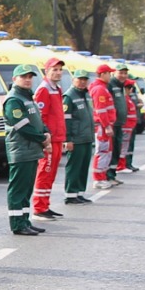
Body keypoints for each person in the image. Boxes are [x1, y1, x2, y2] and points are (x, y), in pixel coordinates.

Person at [2, 64, 50, 236]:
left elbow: (36, 118)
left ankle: (25, 221)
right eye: (24, 77)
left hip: (31, 150)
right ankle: (17, 224)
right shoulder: (14, 99)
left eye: (30, 77)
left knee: (27, 189)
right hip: (21, 150)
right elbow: (22, 126)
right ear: (15, 79)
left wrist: (45, 131)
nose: (28, 80)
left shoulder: (27, 97)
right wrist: (42, 138)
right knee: (18, 189)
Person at [31, 57, 68, 220]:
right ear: (47, 71)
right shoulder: (44, 89)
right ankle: (39, 207)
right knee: (45, 171)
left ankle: (45, 204)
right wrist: (45, 140)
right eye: (55, 69)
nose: (58, 73)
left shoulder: (57, 88)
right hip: (50, 140)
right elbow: (41, 117)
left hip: (58, 138)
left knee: (51, 173)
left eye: (60, 70)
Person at [62, 68, 96, 204]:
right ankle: (70, 194)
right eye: (79, 79)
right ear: (73, 80)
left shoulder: (86, 94)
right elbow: (66, 120)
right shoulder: (69, 96)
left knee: (83, 167)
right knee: (74, 167)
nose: (82, 82)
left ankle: (80, 193)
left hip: (86, 137)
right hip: (76, 139)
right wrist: (68, 139)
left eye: (85, 80)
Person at [88, 63, 119, 190]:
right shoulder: (100, 89)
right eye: (109, 73)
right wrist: (106, 126)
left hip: (104, 125)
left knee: (106, 151)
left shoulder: (102, 87)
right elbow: (101, 110)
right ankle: (98, 178)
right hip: (102, 125)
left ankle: (102, 176)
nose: (110, 76)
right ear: (102, 74)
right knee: (102, 151)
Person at [104, 64, 129, 181]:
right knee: (111, 150)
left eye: (125, 73)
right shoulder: (111, 85)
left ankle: (112, 174)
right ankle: (107, 175)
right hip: (112, 124)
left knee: (117, 149)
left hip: (119, 123)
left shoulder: (121, 86)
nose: (123, 75)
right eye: (121, 73)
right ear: (114, 73)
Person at [115, 66, 140, 172]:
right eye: (129, 87)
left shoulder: (128, 97)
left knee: (126, 147)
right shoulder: (124, 98)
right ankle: (121, 165)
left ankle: (125, 164)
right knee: (122, 147)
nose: (131, 89)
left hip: (130, 127)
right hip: (125, 126)